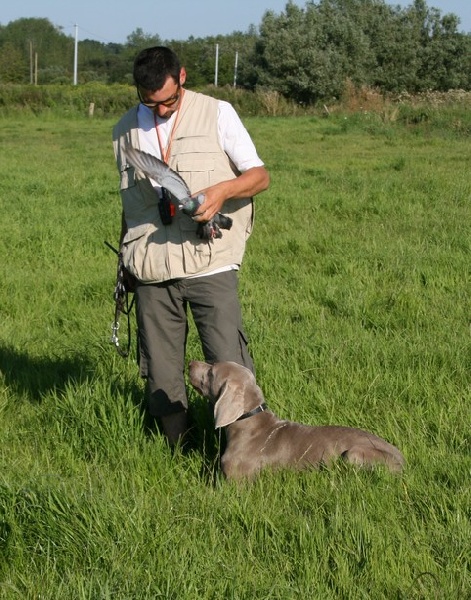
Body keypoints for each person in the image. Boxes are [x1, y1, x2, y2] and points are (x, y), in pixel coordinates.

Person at [112, 46, 269, 445]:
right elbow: (130, 206)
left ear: (182, 77)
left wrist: (221, 192)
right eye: (151, 103)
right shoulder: (124, 130)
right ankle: (178, 453)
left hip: (210, 262)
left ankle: (245, 454)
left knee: (229, 365)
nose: (161, 110)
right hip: (151, 268)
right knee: (162, 372)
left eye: (169, 100)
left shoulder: (217, 112)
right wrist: (125, 267)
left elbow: (260, 177)